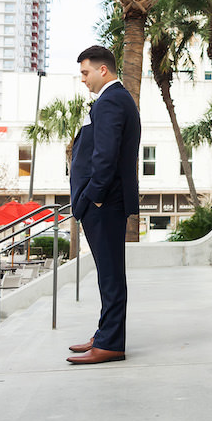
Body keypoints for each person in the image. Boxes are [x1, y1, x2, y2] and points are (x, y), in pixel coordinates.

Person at [66, 45, 141, 364]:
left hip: (104, 203)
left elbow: (106, 156)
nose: (82, 79)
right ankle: (104, 333)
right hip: (104, 202)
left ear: (103, 70)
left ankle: (110, 343)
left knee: (110, 275)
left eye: (85, 72)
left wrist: (93, 196)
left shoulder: (111, 101)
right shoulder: (113, 100)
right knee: (107, 274)